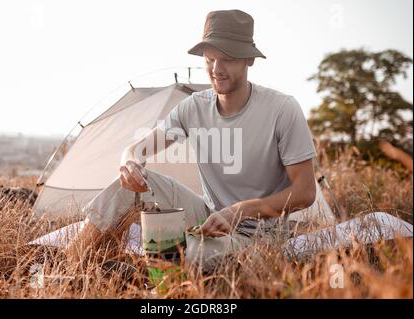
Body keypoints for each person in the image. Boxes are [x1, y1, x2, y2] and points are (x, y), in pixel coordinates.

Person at [65, 9, 333, 272]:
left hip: (261, 237)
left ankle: (150, 275)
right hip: (208, 217)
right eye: (209, 58)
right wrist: (130, 163)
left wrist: (241, 210)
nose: (216, 69)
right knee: (129, 189)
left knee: (171, 253)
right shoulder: (193, 107)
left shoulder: (282, 109)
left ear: (249, 60)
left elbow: (305, 193)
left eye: (227, 58)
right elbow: (138, 148)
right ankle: (69, 269)